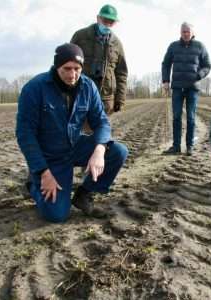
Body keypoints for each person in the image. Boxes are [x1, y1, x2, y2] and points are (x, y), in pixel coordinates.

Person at [15, 43, 128, 223]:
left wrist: (99, 150)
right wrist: (43, 172)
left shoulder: (88, 87)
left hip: (74, 146)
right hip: (50, 156)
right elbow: (25, 134)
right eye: (66, 68)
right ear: (56, 66)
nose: (72, 74)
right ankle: (33, 184)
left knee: (118, 152)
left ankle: (84, 194)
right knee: (57, 215)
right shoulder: (35, 89)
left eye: (77, 69)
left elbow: (101, 122)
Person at [161, 22, 211, 156]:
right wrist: (166, 80)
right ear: (180, 32)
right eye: (183, 31)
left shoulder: (200, 46)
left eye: (188, 31)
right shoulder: (173, 46)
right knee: (176, 116)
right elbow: (165, 64)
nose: (186, 33)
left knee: (191, 117)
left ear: (192, 32)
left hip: (192, 88)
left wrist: (199, 75)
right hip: (177, 87)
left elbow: (207, 65)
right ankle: (176, 146)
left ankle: (189, 146)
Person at [70, 4, 128, 116]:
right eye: (105, 21)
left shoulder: (117, 44)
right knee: (80, 131)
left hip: (106, 99)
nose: (108, 25)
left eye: (111, 22)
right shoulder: (80, 36)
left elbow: (122, 73)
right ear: (98, 18)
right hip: (81, 95)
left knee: (101, 131)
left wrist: (120, 99)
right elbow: (67, 62)